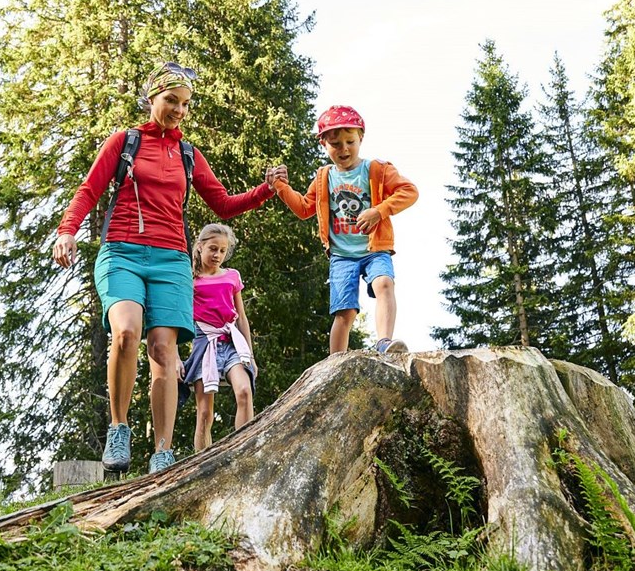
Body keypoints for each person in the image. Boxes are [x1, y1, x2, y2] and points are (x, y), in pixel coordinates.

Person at [52, 62, 276, 474]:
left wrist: (266, 191)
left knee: (162, 350)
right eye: (172, 100)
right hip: (121, 252)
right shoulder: (125, 142)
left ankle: (162, 451)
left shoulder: (188, 154)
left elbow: (222, 204)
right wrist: (68, 231)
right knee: (126, 331)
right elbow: (88, 190)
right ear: (152, 97)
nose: (178, 110)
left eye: (185, 104)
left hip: (171, 260)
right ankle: (118, 427)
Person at [270, 104, 418, 355]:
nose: (344, 149)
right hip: (342, 255)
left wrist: (379, 211)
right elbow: (305, 208)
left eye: (350, 142)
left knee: (384, 283)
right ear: (324, 144)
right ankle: (335, 360)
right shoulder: (324, 177)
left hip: (374, 249)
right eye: (336, 144)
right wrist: (281, 187)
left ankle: (384, 342)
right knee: (344, 311)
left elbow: (409, 191)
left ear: (361, 138)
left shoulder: (377, 169)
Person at [180, 223, 257, 453]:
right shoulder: (190, 279)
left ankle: (243, 451)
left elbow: (241, 317)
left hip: (232, 344)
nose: (217, 255)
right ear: (200, 247)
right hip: (205, 345)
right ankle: (203, 461)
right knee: (205, 412)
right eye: (213, 249)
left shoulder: (232, 276)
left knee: (244, 391)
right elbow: (178, 319)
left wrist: (250, 355)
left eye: (222, 251)